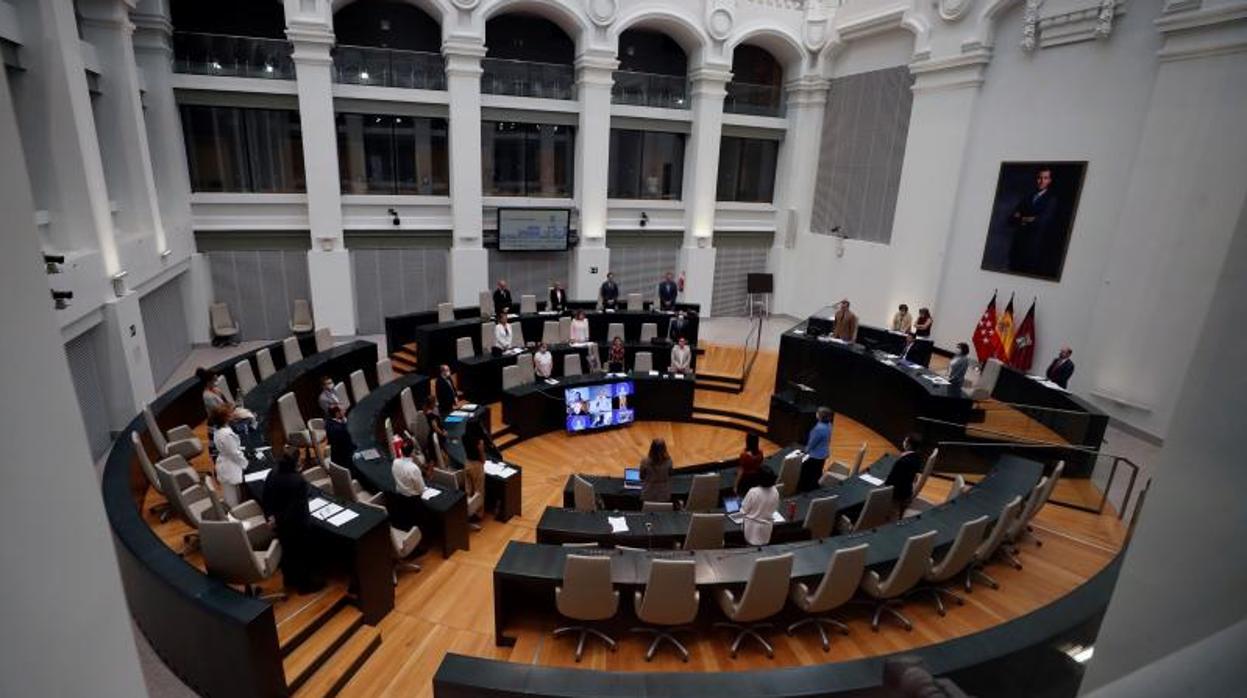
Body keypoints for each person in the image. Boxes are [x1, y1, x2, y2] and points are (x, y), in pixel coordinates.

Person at [262, 446, 324, 593]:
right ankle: (305, 587)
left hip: (279, 524)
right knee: (302, 555)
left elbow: (266, 497)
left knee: (288, 553)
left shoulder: (273, 472)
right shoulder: (298, 481)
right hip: (296, 525)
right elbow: (295, 509)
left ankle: (289, 580)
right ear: (296, 461)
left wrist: (272, 518)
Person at [1007, 166, 1061, 277]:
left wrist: (1021, 217)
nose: (1041, 181)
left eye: (1045, 178)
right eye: (1039, 177)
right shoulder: (1027, 197)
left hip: (1034, 248)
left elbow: (1042, 222)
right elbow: (1011, 220)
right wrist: (1029, 218)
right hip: (1017, 246)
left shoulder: (1051, 200)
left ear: (1049, 181)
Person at [208, 406, 247, 507]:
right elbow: (234, 453)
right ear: (225, 418)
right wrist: (246, 463)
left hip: (226, 464)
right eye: (229, 414)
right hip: (230, 467)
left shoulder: (219, 430)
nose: (232, 415)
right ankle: (234, 519)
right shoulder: (226, 435)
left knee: (233, 495)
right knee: (233, 501)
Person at [884, 433, 925, 518]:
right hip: (907, 490)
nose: (904, 442)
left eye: (905, 440)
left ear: (909, 445)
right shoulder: (917, 458)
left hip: (898, 493)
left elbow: (889, 482)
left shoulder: (902, 462)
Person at [740, 467, 781, 546]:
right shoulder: (775, 491)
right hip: (766, 529)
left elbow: (744, 510)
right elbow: (775, 508)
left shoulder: (753, 492)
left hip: (751, 529)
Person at [800, 406, 832, 492]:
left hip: (815, 455)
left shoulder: (818, 429)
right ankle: (814, 488)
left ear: (820, 416)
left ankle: (806, 489)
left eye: (817, 413)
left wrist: (804, 451)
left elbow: (812, 444)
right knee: (817, 472)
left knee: (807, 473)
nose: (816, 413)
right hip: (823, 453)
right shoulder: (829, 424)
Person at [639, 438, 672, 504]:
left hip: (648, 493)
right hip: (663, 494)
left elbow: (641, 476)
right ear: (664, 448)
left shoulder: (644, 461)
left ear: (652, 448)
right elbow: (670, 474)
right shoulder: (669, 461)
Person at [323, 404, 355, 468]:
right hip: (344, 461)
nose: (345, 412)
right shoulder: (334, 427)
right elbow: (347, 439)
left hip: (343, 456)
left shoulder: (332, 423)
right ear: (338, 413)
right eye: (343, 410)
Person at [420, 395, 447, 463]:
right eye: (435, 402)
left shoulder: (427, 412)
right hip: (435, 436)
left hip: (432, 436)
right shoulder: (431, 415)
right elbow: (435, 427)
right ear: (432, 404)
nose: (436, 404)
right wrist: (442, 433)